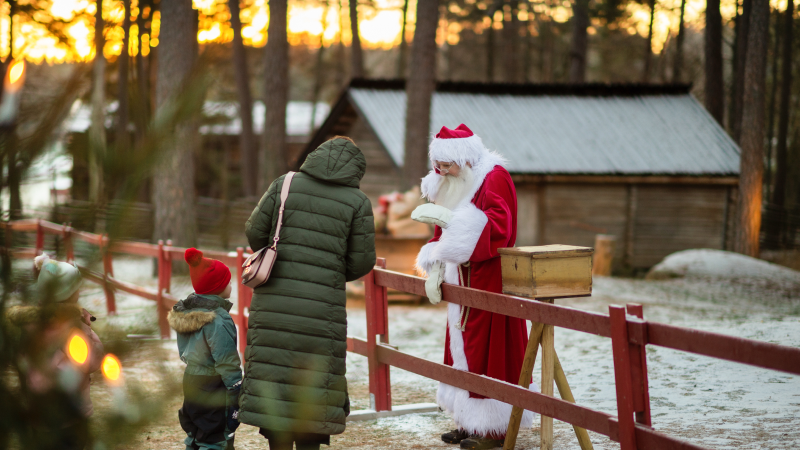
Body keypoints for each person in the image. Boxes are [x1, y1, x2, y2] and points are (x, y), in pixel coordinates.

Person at [238, 136, 376, 450]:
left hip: (274, 300)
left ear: (316, 155)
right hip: (322, 309)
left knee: (275, 371)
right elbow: (362, 260)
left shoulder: (284, 184)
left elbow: (254, 231)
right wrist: (330, 272)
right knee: (314, 379)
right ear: (356, 166)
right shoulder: (358, 202)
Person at [412, 124, 536, 450]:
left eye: (447, 165)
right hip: (461, 277)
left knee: (488, 349)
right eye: (438, 166)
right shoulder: (452, 180)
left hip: (489, 277)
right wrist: (436, 260)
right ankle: (466, 420)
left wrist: (457, 234)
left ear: (464, 158)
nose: (442, 172)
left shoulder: (493, 178)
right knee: (461, 348)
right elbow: (444, 224)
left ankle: (493, 429)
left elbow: (500, 227)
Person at [6, 254, 104, 450]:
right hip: (71, 417)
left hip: (37, 415)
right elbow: (93, 361)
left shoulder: (28, 324)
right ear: (73, 294)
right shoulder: (74, 329)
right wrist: (88, 329)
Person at [169, 248, 242, 450]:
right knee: (215, 437)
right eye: (228, 282)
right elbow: (226, 359)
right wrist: (236, 387)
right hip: (214, 383)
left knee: (196, 432)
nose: (231, 285)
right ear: (217, 287)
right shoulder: (219, 319)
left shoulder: (187, 313)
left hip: (191, 379)